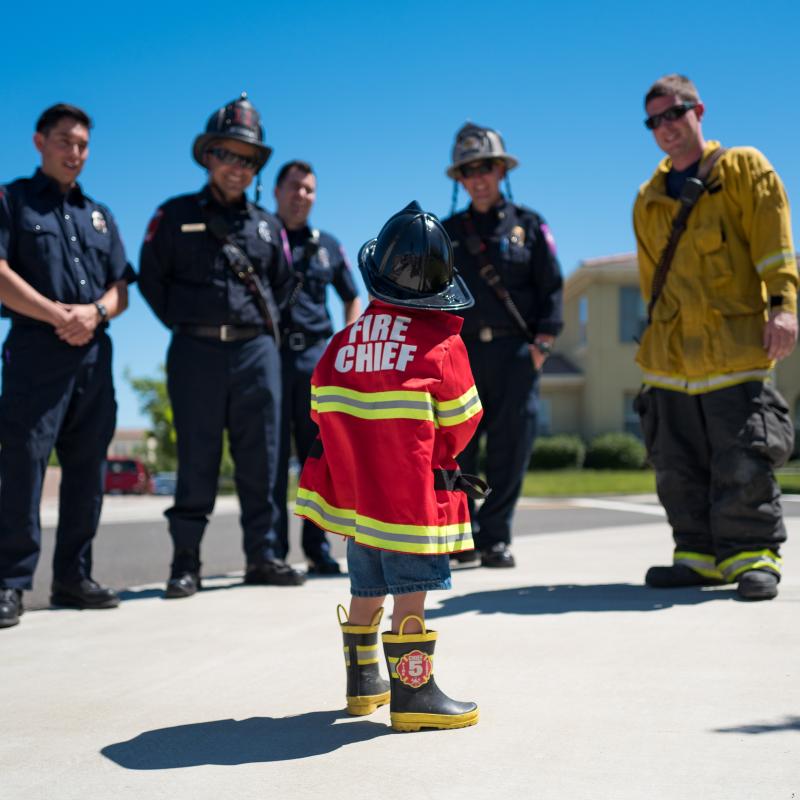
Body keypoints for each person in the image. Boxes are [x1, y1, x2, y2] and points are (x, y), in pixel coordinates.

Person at [296, 202, 485, 731]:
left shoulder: (341, 344)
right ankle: (414, 694)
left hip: (359, 507)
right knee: (411, 594)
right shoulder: (442, 344)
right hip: (410, 505)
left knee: (364, 589)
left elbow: (320, 412)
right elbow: (462, 423)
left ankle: (364, 686)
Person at [633, 74, 797, 601]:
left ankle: (753, 556)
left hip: (734, 351)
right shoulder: (647, 198)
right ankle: (697, 556)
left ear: (698, 110)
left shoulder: (744, 169)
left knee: (743, 458)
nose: (665, 126)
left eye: (674, 113)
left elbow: (775, 248)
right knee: (676, 466)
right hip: (671, 361)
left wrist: (784, 308)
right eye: (654, 120)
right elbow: (649, 284)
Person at [138, 93, 305, 598]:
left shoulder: (268, 226)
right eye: (227, 154)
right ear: (208, 155)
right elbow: (152, 280)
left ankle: (264, 556)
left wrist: (257, 333)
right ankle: (185, 563)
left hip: (256, 354)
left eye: (248, 159)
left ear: (257, 168)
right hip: (196, 352)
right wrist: (191, 323)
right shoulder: (173, 215)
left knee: (264, 459)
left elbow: (284, 285)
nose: (237, 166)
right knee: (197, 457)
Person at [0, 103, 135, 628]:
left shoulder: (99, 214)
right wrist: (58, 314)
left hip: (94, 353)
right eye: (64, 141)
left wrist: (94, 313)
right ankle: (10, 583)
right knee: (24, 464)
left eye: (82, 144)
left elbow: (121, 286)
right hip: (36, 347)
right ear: (39, 142)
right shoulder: (12, 200)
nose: (75, 152)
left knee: (87, 468)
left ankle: (73, 578)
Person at [442, 123, 563, 568]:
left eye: (486, 168)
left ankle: (496, 537)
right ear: (460, 178)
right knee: (459, 451)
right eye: (468, 170)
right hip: (462, 356)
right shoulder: (446, 233)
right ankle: (465, 534)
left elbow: (552, 287)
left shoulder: (529, 225)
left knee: (511, 448)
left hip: (516, 353)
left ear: (501, 170)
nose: (478, 178)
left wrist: (541, 346)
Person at [272, 160, 361, 574]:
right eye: (294, 187)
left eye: (309, 189)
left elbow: (351, 295)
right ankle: (271, 552)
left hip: (315, 358)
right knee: (270, 457)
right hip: (270, 356)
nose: (301, 195)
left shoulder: (327, 244)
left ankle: (317, 547)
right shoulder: (261, 235)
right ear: (277, 191)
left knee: (318, 457)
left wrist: (347, 346)